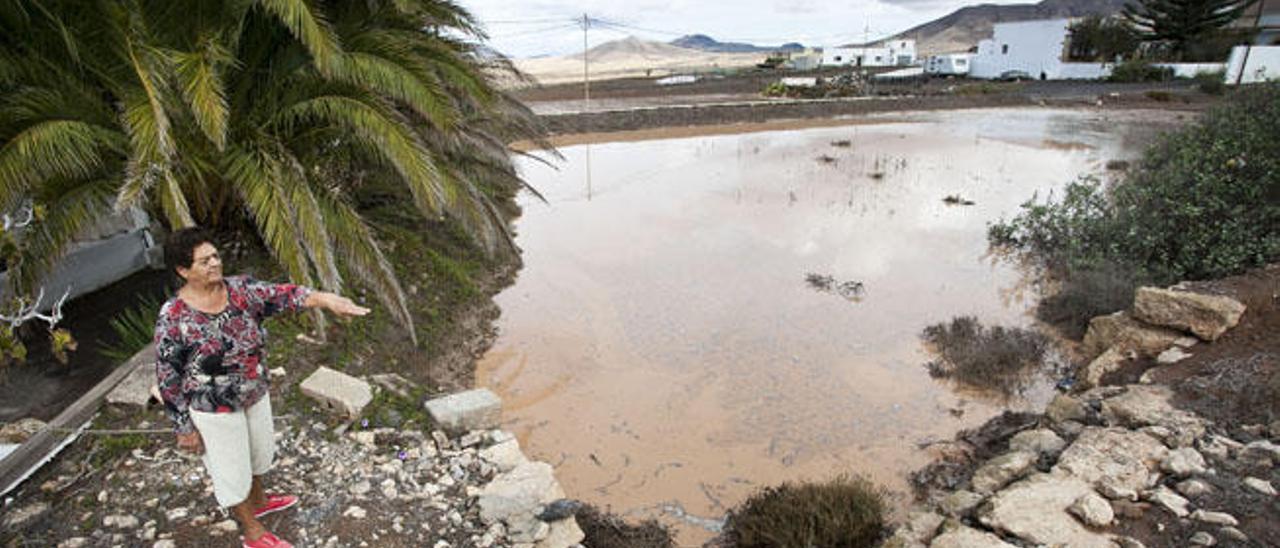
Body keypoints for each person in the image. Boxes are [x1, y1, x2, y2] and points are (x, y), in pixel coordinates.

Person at [154, 228, 369, 548]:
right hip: (213, 408)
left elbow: (286, 295)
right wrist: (183, 426)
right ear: (183, 271)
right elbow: (167, 374)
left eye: (215, 256)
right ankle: (253, 532)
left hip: (254, 393)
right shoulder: (173, 316)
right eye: (204, 261)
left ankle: (260, 500)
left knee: (258, 454)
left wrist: (327, 299)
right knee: (231, 471)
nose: (214, 263)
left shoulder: (241, 289)